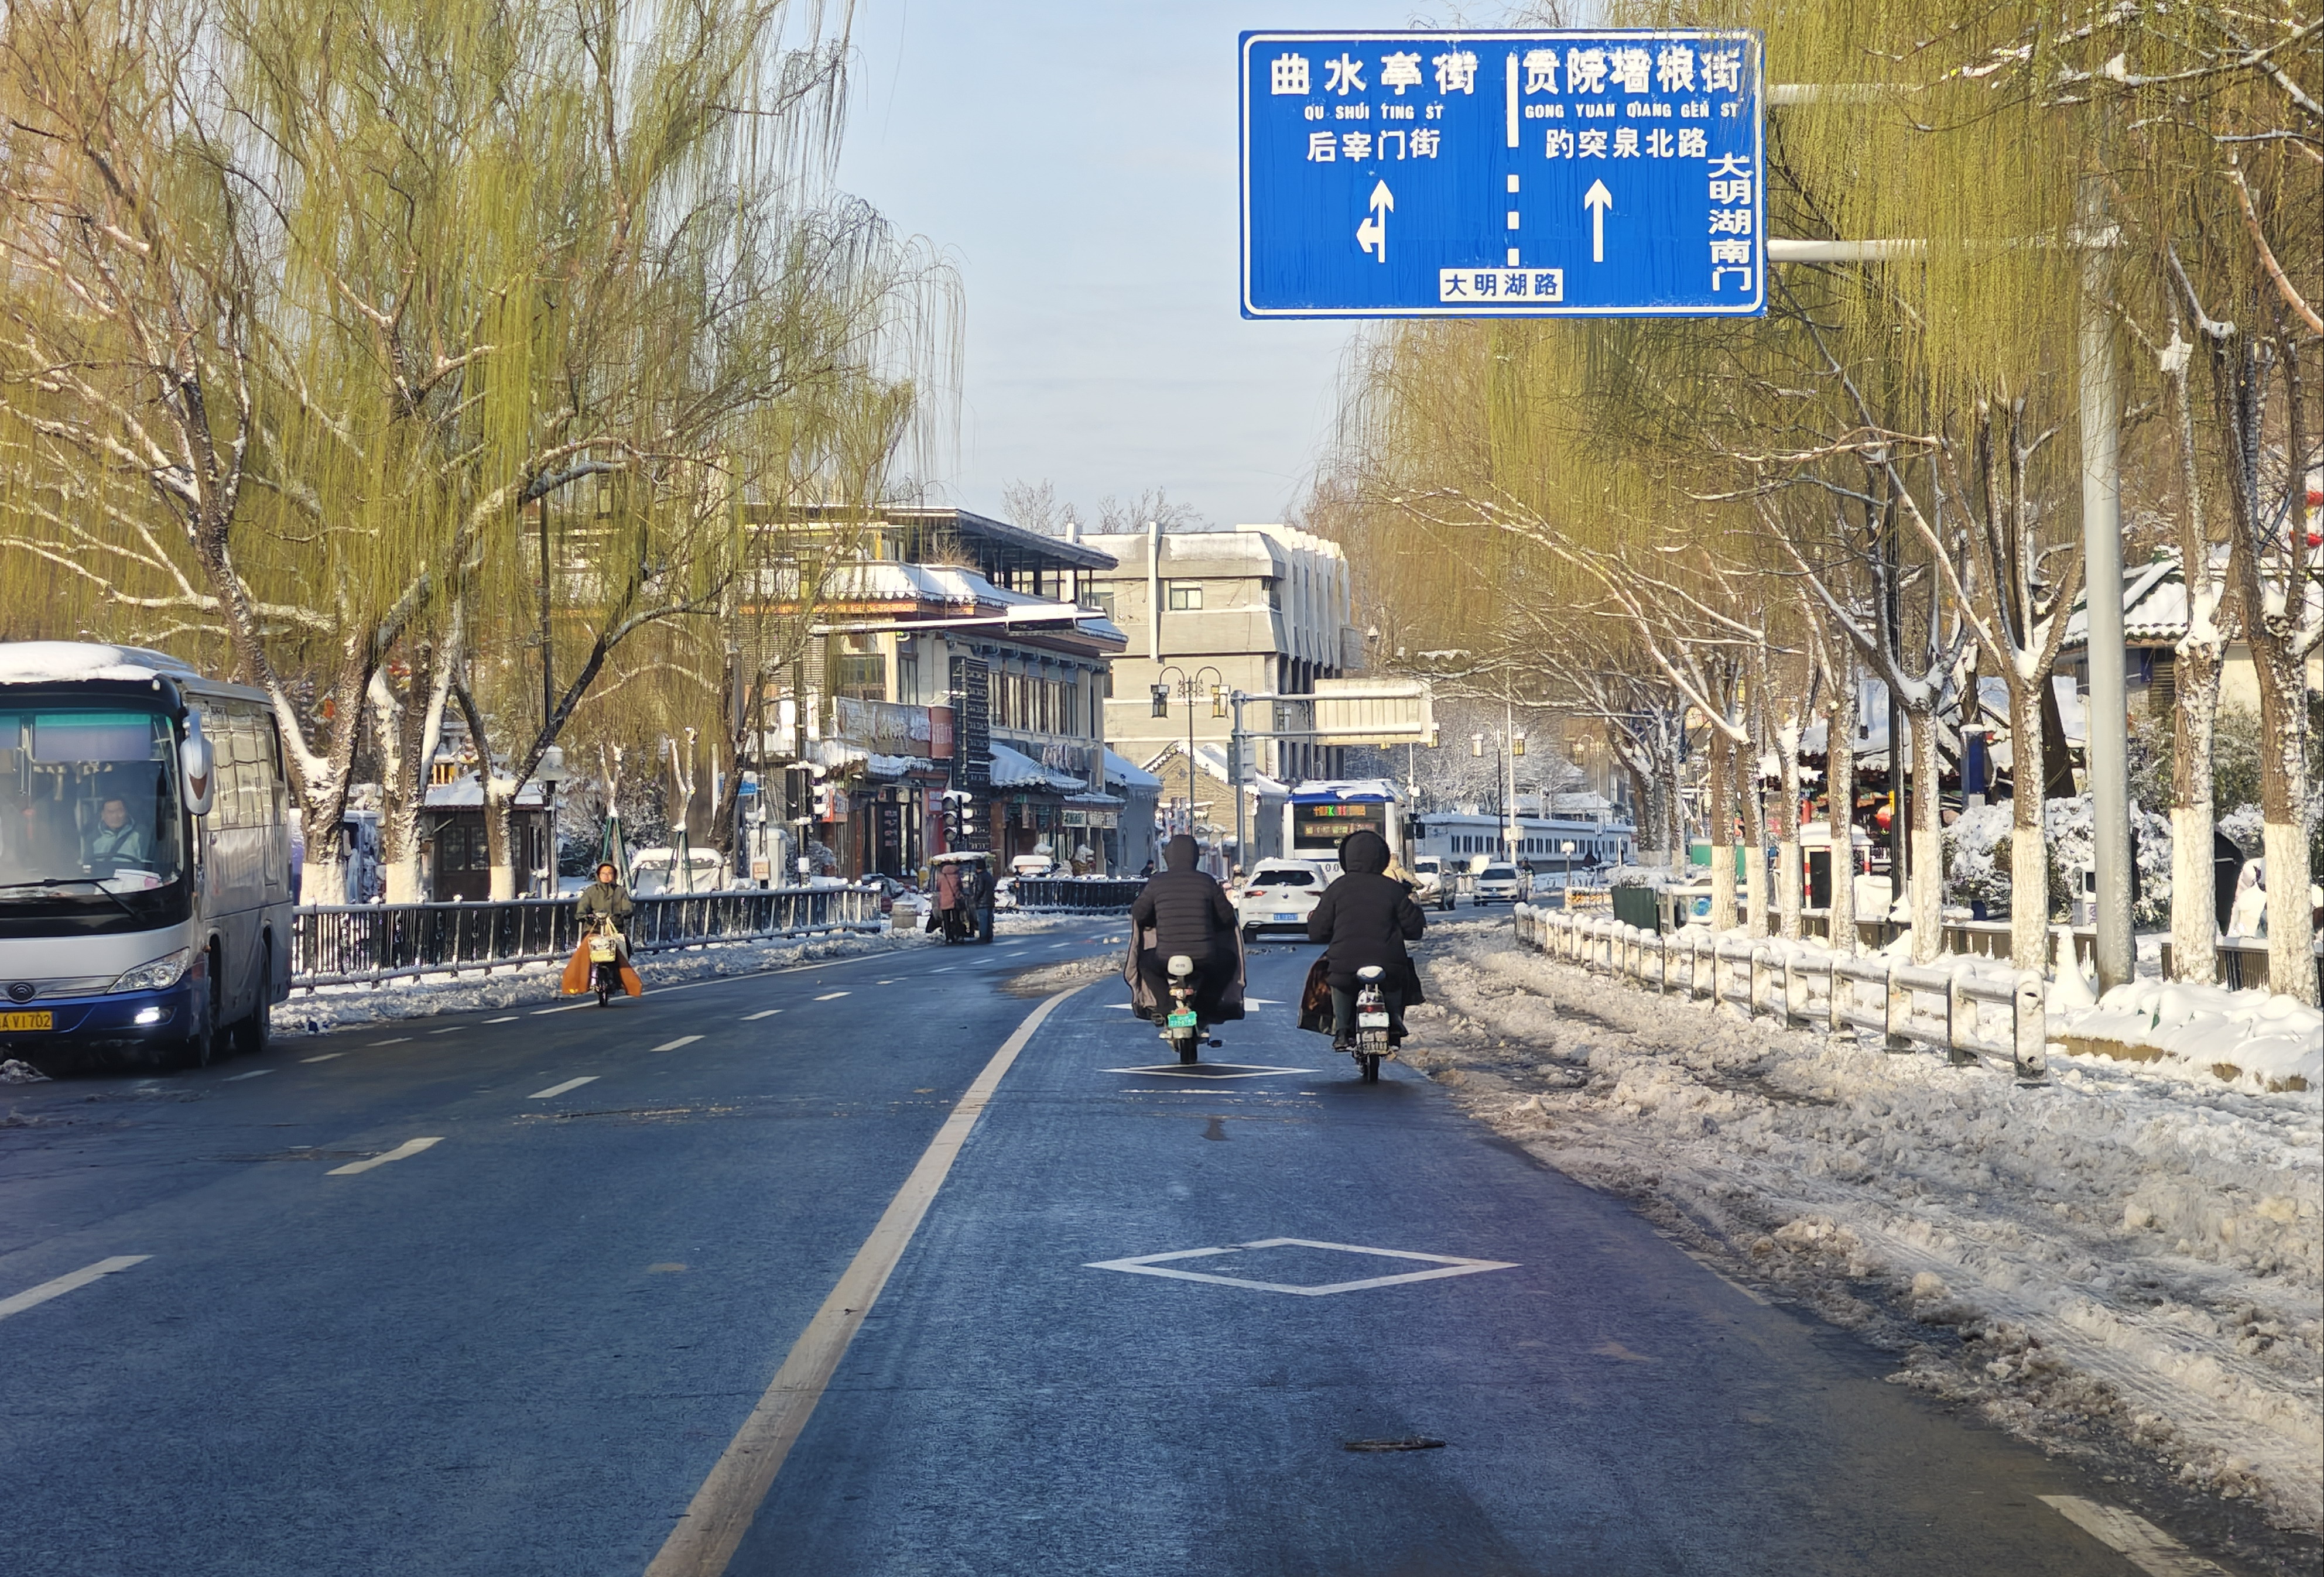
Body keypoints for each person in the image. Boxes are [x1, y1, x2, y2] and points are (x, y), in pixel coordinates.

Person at [1306, 829, 1426, 1051]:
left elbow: (1317, 931)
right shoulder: (1393, 889)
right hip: (1388, 961)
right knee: (1397, 979)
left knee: (1339, 982)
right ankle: (1396, 1023)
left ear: (1346, 857)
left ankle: (1342, 1031)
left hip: (1345, 962)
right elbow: (1414, 930)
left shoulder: (1337, 889)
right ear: (1382, 857)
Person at [1128, 832, 1239, 1023]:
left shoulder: (1157, 883)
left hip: (1165, 956)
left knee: (1145, 962)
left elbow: (1138, 913)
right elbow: (1227, 917)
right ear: (1195, 857)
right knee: (1228, 961)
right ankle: (1205, 1008)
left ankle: (1164, 1007)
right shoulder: (1207, 882)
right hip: (1204, 957)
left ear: (1168, 857)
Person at [577, 861, 634, 941]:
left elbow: (628, 908)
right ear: (599, 875)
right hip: (593, 929)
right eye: (604, 873)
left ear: (614, 875)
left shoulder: (620, 891)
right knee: (585, 949)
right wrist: (587, 918)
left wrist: (620, 915)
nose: (607, 876)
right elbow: (581, 911)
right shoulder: (591, 891)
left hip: (615, 929)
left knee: (624, 947)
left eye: (610, 873)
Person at [85, 796, 148, 868]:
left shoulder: (141, 834)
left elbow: (146, 865)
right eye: (110, 812)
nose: (115, 816)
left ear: (126, 812)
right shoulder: (93, 837)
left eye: (120, 811)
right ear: (103, 815)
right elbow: (87, 865)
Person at [967, 856, 997, 944]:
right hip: (989, 901)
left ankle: (983, 937)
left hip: (982, 902)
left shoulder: (980, 877)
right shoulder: (988, 876)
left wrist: (975, 899)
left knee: (983, 921)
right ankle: (989, 937)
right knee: (989, 921)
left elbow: (980, 889)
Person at [933, 859, 965, 940]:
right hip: (955, 899)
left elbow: (938, 887)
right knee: (957, 918)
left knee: (946, 920)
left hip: (945, 900)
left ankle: (949, 936)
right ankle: (959, 935)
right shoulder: (956, 876)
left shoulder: (941, 876)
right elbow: (960, 887)